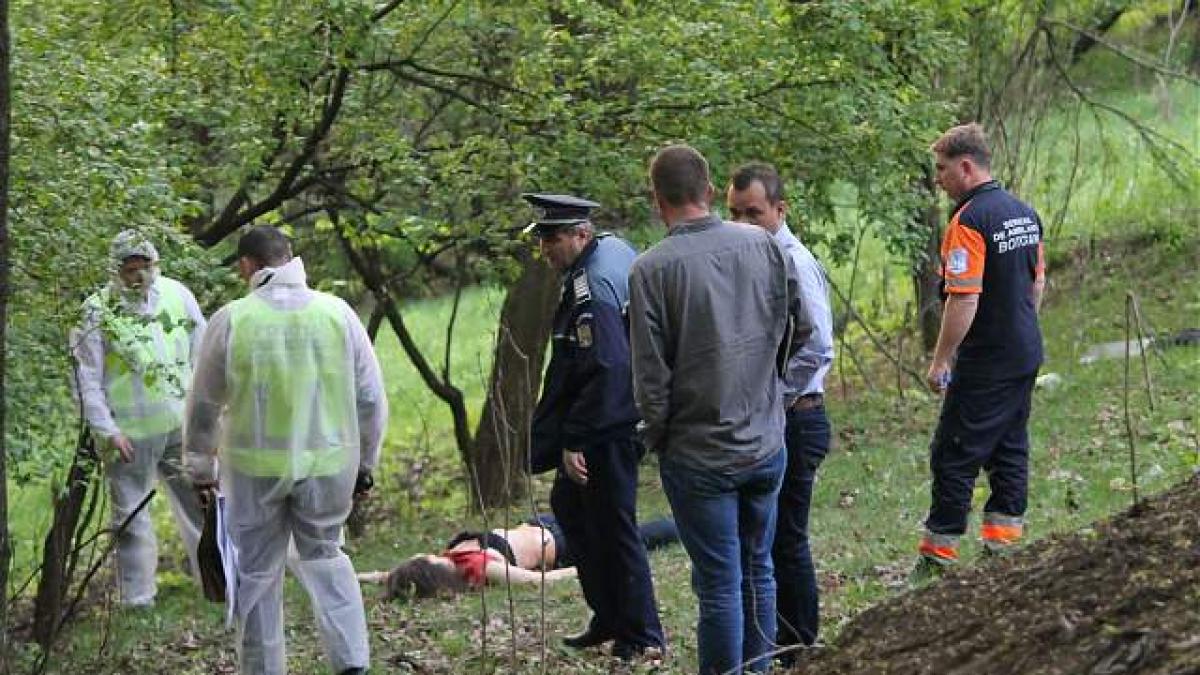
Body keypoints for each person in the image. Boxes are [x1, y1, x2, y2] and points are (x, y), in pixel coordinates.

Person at [184, 226, 388, 675]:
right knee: (327, 558)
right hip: (328, 466)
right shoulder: (338, 314)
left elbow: (202, 406)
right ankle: (352, 664)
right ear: (291, 258)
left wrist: (200, 468)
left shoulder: (232, 320)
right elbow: (371, 398)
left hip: (253, 472)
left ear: (246, 266)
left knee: (257, 573)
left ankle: (263, 669)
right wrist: (365, 466)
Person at [629, 145, 794, 674]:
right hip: (766, 441)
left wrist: (657, 436)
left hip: (699, 454)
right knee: (759, 570)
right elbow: (798, 328)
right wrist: (769, 391)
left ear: (659, 200)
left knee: (721, 584)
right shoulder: (762, 245)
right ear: (707, 190)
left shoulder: (651, 271)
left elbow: (650, 378)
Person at [523, 193, 666, 661]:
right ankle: (609, 614)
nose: (545, 247)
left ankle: (642, 635)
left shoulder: (594, 285)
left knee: (613, 527)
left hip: (608, 424)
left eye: (553, 237)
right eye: (542, 237)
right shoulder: (610, 252)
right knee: (572, 508)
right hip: (608, 417)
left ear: (581, 235)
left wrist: (575, 440)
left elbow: (604, 367)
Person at [917, 123, 1046, 574]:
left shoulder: (967, 222)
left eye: (942, 169)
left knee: (954, 449)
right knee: (1010, 443)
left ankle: (939, 555)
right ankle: (1003, 544)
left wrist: (941, 358)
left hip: (986, 359)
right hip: (1024, 349)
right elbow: (1037, 284)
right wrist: (1021, 328)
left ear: (966, 167)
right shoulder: (1024, 213)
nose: (938, 179)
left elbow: (964, 296)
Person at [727, 162, 835, 657]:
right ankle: (782, 642)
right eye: (734, 213)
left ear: (780, 209)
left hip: (798, 416)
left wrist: (775, 393)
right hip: (779, 416)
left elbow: (819, 346)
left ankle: (800, 644)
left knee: (786, 539)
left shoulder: (791, 259)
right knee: (769, 540)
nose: (744, 223)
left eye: (754, 212)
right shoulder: (755, 258)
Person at [72, 229, 207, 608]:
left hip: (181, 425)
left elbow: (203, 351)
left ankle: (216, 580)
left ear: (155, 266)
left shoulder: (178, 295)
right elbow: (86, 377)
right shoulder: (97, 310)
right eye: (128, 269)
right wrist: (106, 431)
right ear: (115, 270)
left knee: (202, 504)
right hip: (128, 436)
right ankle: (138, 600)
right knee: (131, 518)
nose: (137, 276)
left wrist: (207, 416)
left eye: (143, 267)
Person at [359, 515, 679, 601]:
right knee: (639, 535)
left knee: (627, 521)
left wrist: (353, 576)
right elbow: (540, 581)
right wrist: (596, 570)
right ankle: (690, 528)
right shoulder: (482, 567)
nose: (424, 553)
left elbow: (389, 575)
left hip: (543, 524)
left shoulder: (445, 559)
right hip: (563, 543)